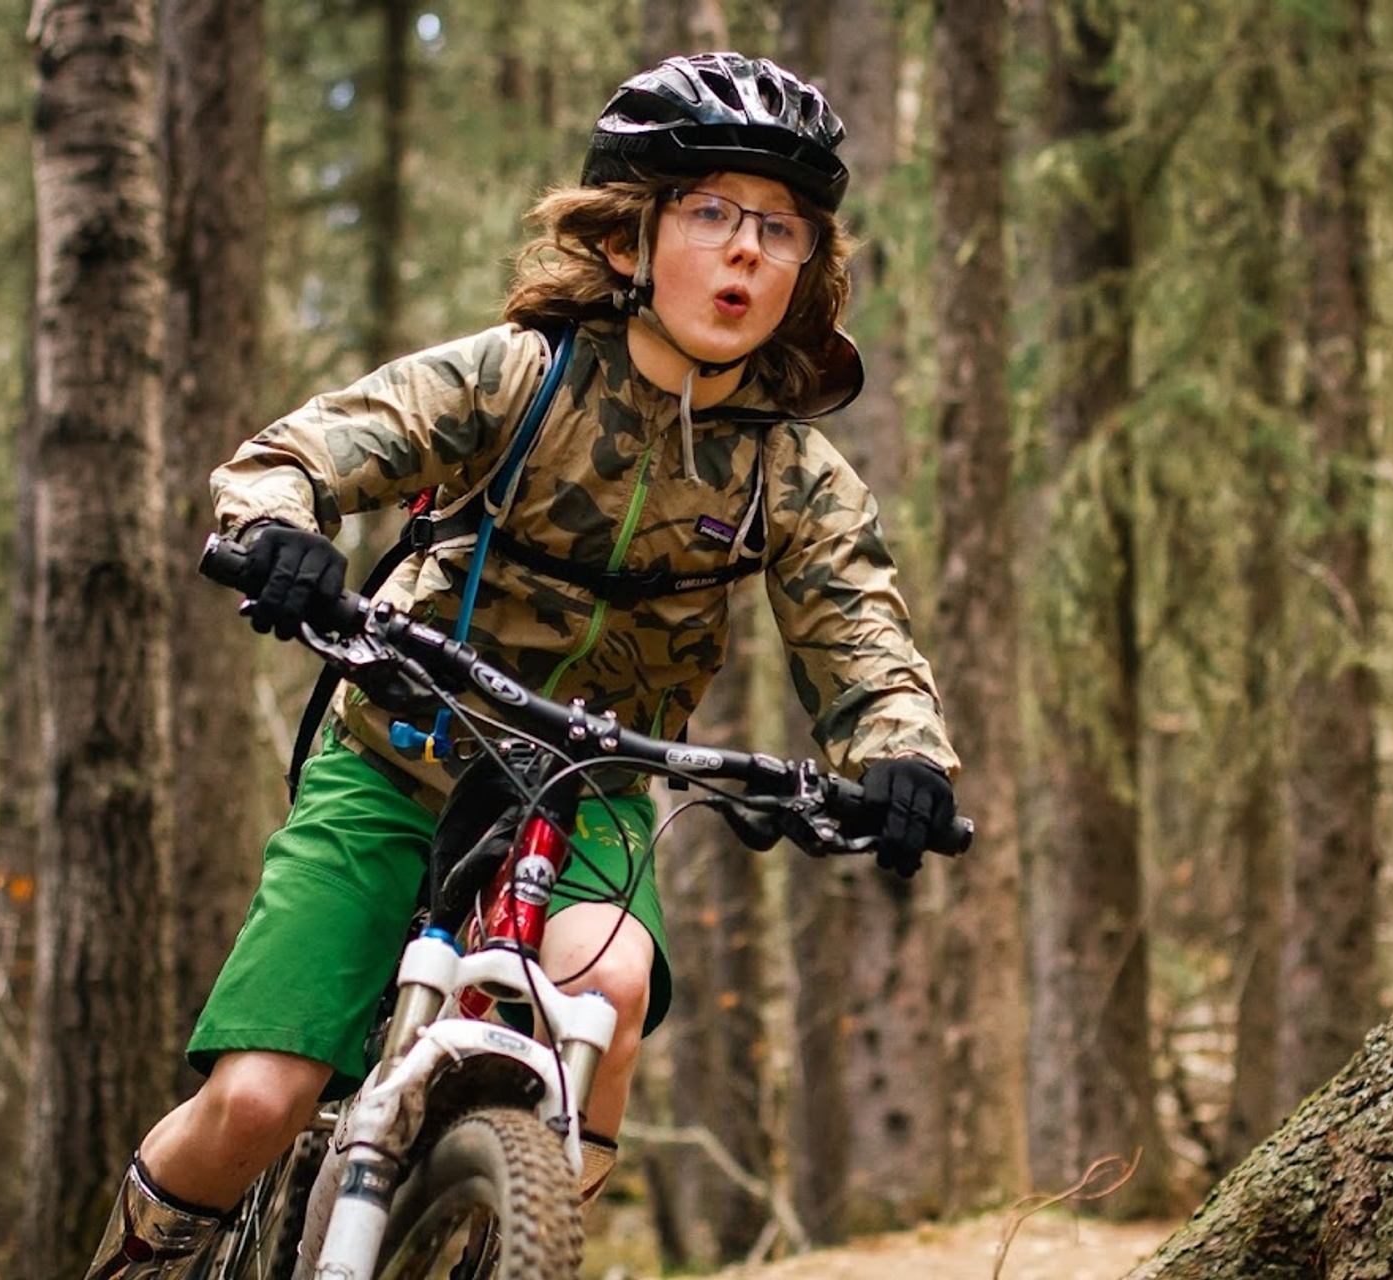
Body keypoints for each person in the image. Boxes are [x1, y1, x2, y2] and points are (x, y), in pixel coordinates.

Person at [88, 51, 960, 1275]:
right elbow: (313, 446)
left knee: (607, 986)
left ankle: (519, 1227)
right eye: (710, 212)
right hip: (399, 757)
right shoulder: (521, 373)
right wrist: (279, 528)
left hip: (587, 788)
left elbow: (861, 635)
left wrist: (903, 756)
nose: (749, 251)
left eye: (782, 227)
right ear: (628, 240)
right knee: (256, 1100)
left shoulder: (791, 474)